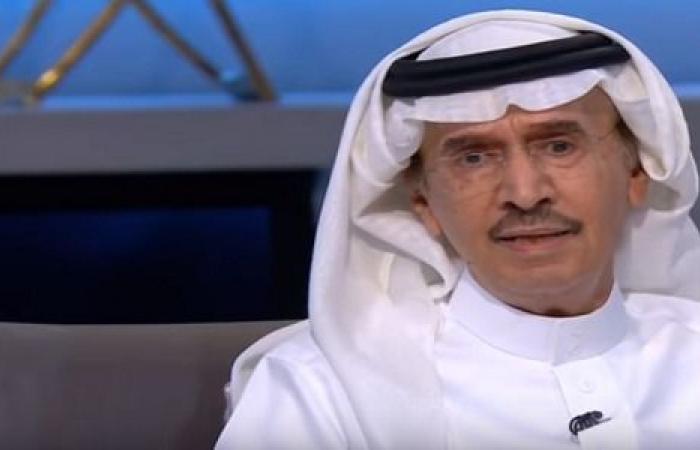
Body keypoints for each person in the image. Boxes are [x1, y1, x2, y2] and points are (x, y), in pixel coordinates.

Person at [215, 10, 700, 450]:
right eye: (474, 158)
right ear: (422, 199)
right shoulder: (322, 393)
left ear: (637, 173)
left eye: (559, 146)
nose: (525, 193)